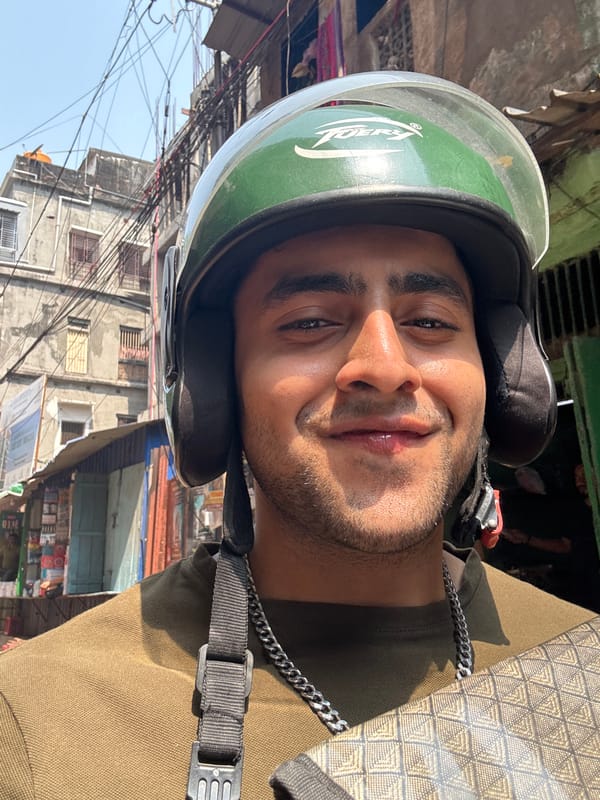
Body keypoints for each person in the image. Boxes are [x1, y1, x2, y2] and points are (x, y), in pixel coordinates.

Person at [0, 72, 596, 800]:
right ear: (217, 386)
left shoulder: (583, 665)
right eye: (311, 320)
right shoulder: (39, 724)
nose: (383, 367)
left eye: (431, 322)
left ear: (503, 376)